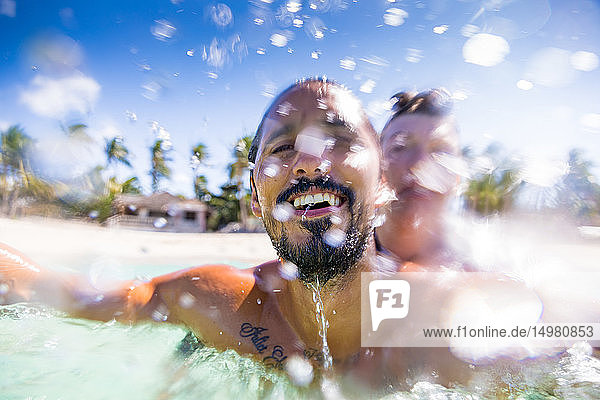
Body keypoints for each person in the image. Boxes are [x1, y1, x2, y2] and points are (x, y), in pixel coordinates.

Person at [0, 79, 539, 390]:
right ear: (258, 198)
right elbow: (50, 290)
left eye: (338, 138)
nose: (308, 156)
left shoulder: (444, 317)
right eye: (282, 147)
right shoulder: (218, 303)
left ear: (381, 189)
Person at [376, 89, 465, 269]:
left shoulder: (480, 267)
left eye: (440, 150)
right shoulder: (341, 260)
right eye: (400, 147)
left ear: (458, 176)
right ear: (378, 169)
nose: (419, 163)